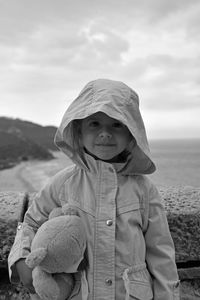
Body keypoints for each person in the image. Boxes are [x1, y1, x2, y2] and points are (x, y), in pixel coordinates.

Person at [8, 78, 180, 300]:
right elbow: (30, 221)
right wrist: (21, 258)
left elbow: (161, 252)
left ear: (131, 134)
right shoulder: (63, 183)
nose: (105, 133)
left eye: (117, 124)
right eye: (95, 124)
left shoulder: (144, 190)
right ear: (78, 131)